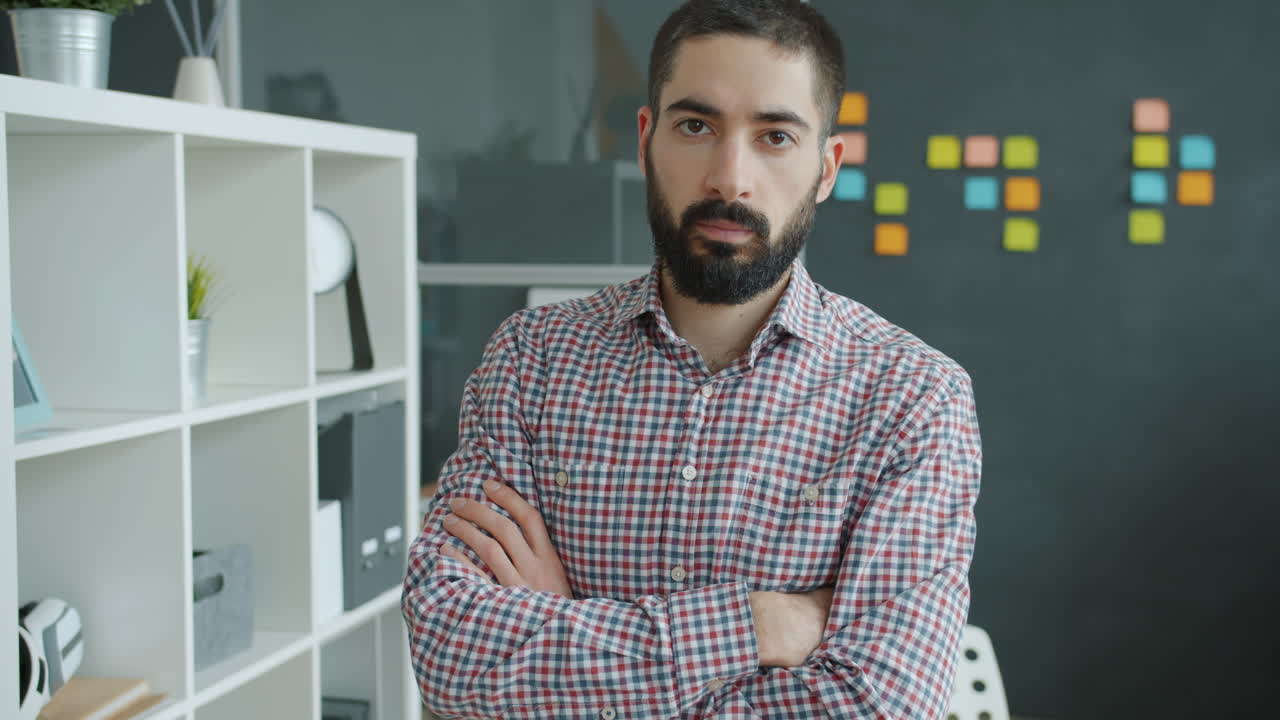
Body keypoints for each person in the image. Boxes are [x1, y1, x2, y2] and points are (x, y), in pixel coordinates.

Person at [402, 0, 982, 717]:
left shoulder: (913, 397)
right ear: (647, 140)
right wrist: (758, 624)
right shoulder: (530, 360)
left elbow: (877, 705)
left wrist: (568, 632)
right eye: (697, 126)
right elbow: (452, 658)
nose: (729, 178)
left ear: (826, 168)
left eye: (775, 136)